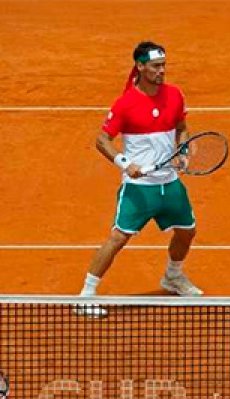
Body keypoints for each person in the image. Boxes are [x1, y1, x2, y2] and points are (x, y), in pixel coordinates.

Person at [76, 41, 202, 318]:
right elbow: (102, 140)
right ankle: (86, 294)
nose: (161, 71)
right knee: (118, 238)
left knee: (187, 231)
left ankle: (172, 277)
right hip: (139, 188)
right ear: (140, 67)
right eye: (156, 66)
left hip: (169, 183)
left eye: (164, 66)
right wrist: (125, 163)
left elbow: (182, 128)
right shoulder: (125, 104)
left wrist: (182, 151)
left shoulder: (175, 95)